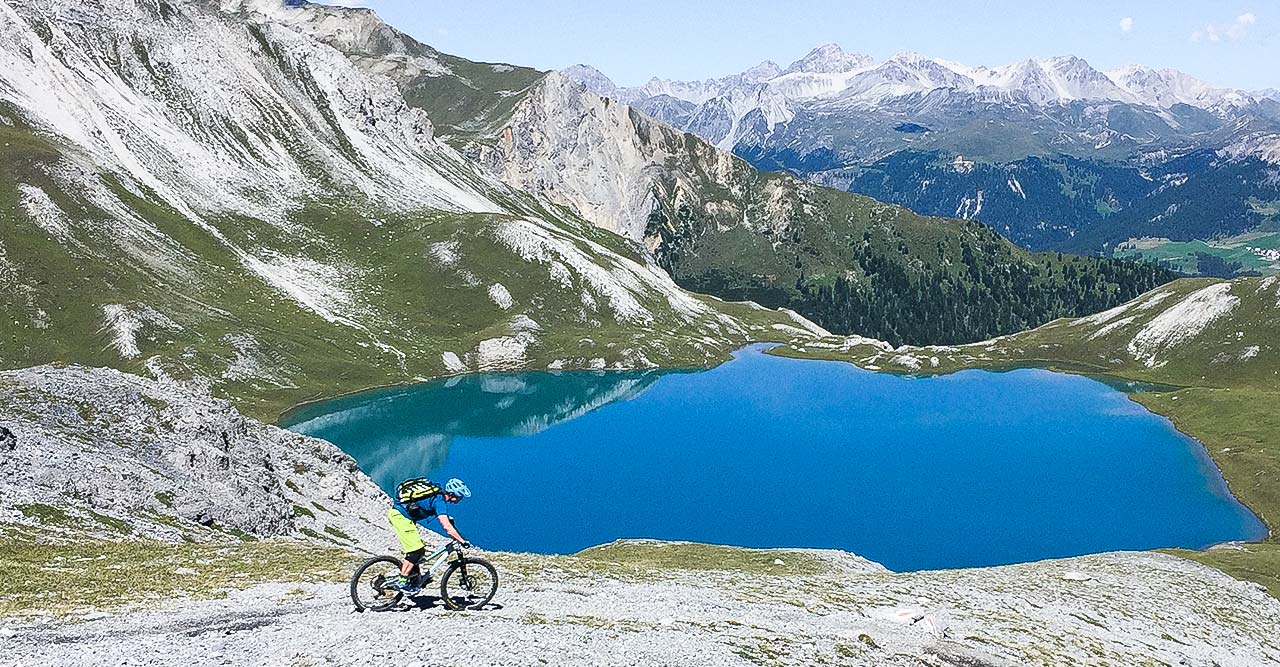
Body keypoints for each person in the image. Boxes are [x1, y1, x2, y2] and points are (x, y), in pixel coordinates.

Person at [386, 477, 472, 592]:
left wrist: (455, 532)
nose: (460, 500)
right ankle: (402, 582)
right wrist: (462, 541)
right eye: (459, 496)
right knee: (416, 550)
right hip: (400, 517)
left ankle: (415, 580)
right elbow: (446, 526)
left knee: (419, 552)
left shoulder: (438, 496)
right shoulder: (439, 502)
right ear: (452, 495)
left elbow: (447, 520)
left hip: (403, 517)